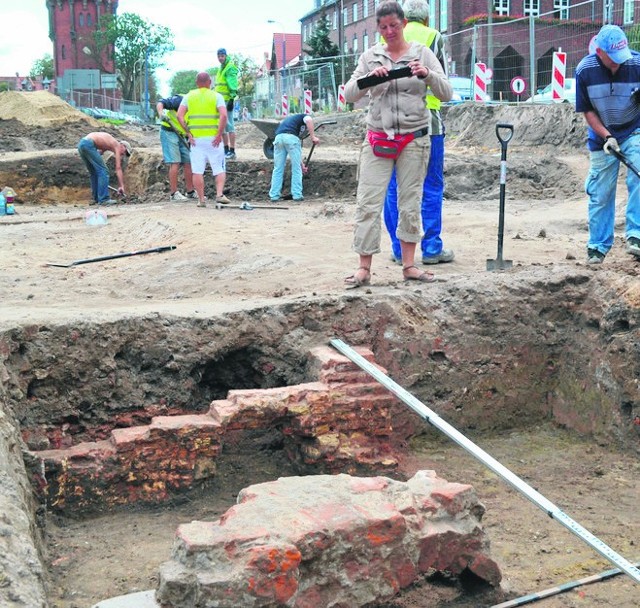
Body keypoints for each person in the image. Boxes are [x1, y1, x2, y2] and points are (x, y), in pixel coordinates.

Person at [343, 0, 452, 287]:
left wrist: (426, 75)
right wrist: (368, 80)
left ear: (403, 24)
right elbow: (349, 93)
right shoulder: (370, 56)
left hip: (414, 138)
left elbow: (447, 92)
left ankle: (409, 265)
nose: (389, 31)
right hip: (378, 138)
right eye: (383, 27)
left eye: (393, 25)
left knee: (410, 203)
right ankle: (364, 268)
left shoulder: (423, 54)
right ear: (378, 29)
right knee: (368, 202)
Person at [383, 0, 454, 266]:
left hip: (393, 125)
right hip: (428, 124)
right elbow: (441, 85)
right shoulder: (433, 37)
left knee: (394, 187)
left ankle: (399, 250)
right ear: (425, 19)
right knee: (431, 186)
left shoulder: (388, 38)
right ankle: (432, 248)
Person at [575, 24, 640, 264]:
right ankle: (598, 247)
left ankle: (636, 235)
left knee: (639, 173)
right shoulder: (585, 70)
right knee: (601, 192)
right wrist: (606, 136)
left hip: (634, 129)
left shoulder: (637, 64)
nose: (618, 63)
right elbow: (587, 111)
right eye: (613, 58)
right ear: (599, 51)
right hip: (601, 134)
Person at [177, 72, 231, 208]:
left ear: (196, 83)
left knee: (197, 170)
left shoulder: (189, 96)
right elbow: (224, 115)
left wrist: (188, 132)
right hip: (214, 139)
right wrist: (219, 134)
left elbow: (179, 116)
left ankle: (201, 200)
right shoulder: (217, 96)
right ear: (209, 83)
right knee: (219, 168)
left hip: (196, 140)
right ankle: (219, 194)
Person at [269, 113, 319, 202]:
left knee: (278, 168)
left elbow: (296, 155)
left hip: (278, 138)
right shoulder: (304, 116)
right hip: (290, 138)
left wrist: (302, 165)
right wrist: (313, 137)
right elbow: (309, 120)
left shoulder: (291, 121)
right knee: (296, 169)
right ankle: (297, 195)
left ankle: (274, 196)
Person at [156, 94, 196, 202]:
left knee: (188, 161)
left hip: (182, 134)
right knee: (175, 162)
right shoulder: (180, 100)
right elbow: (161, 103)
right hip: (169, 131)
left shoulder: (199, 108)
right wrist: (161, 113)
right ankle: (173, 194)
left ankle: (190, 191)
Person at [77, 132, 132, 205]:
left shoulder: (109, 144)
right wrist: (121, 186)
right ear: (122, 145)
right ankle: (104, 199)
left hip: (82, 144)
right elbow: (118, 168)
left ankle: (96, 199)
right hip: (88, 144)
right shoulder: (116, 145)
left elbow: (99, 152)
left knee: (94, 172)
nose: (123, 154)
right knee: (104, 170)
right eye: (125, 151)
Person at [215, 48, 239, 160]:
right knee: (222, 126)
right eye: (219, 56)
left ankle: (232, 151)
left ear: (225, 56)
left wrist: (232, 98)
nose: (220, 58)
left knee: (229, 125)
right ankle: (225, 149)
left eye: (222, 56)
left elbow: (232, 84)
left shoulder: (229, 67)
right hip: (220, 102)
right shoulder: (221, 68)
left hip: (226, 100)